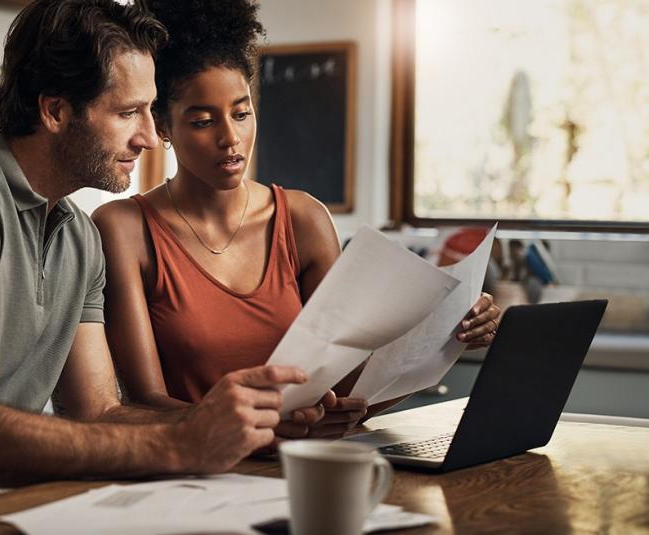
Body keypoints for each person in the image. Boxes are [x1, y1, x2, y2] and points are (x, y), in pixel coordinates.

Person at [0, 0, 317, 526]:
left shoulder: (78, 236)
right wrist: (180, 444)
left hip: (1, 495)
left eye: (149, 111)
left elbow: (99, 413)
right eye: (127, 113)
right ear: (55, 111)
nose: (147, 135)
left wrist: (235, 424)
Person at [92, 0, 501, 440]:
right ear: (162, 126)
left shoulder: (303, 219)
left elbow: (348, 389)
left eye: (242, 113)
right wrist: (266, 429)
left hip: (305, 462)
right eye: (204, 121)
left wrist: (448, 336)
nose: (231, 138)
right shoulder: (124, 228)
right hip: (195, 469)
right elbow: (145, 403)